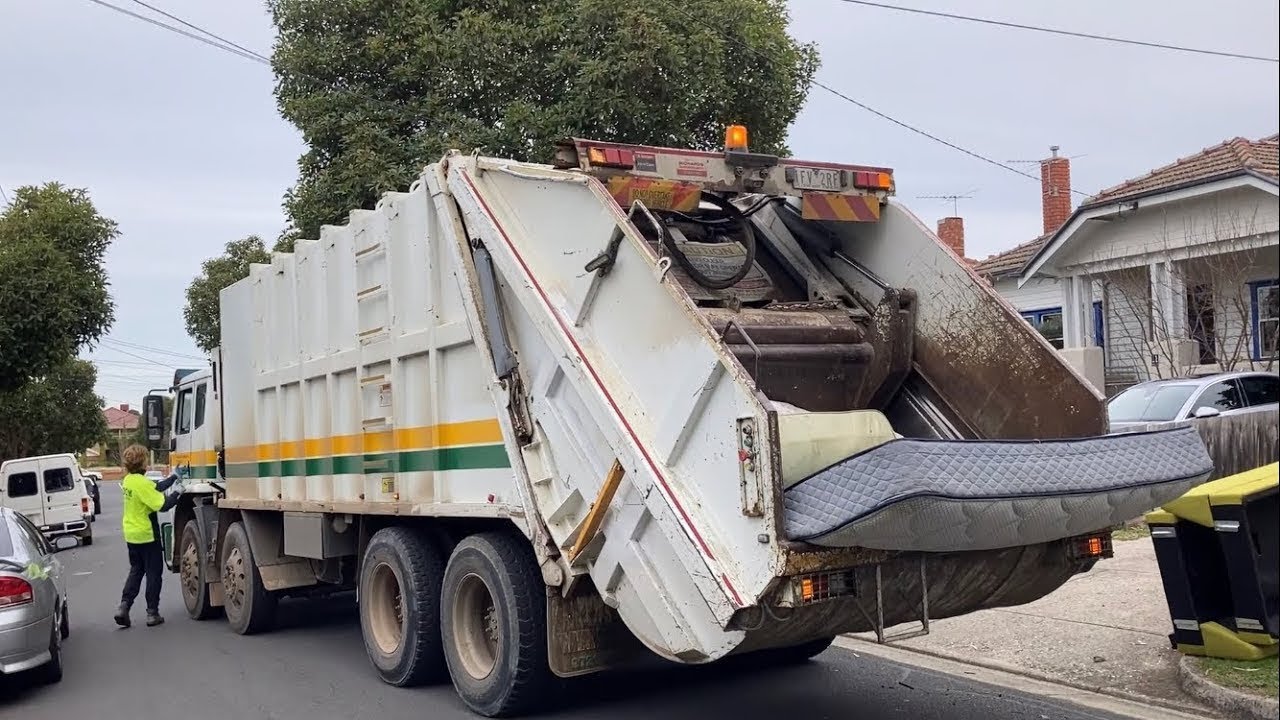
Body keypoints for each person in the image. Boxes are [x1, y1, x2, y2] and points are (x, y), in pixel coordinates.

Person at [113, 445, 180, 628]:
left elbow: (155, 487)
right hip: (147, 535)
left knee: (136, 570)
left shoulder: (129, 480)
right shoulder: (142, 483)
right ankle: (152, 613)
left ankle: (124, 606)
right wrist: (178, 492)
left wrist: (173, 477)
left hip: (131, 534)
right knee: (153, 574)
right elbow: (163, 505)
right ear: (143, 462)